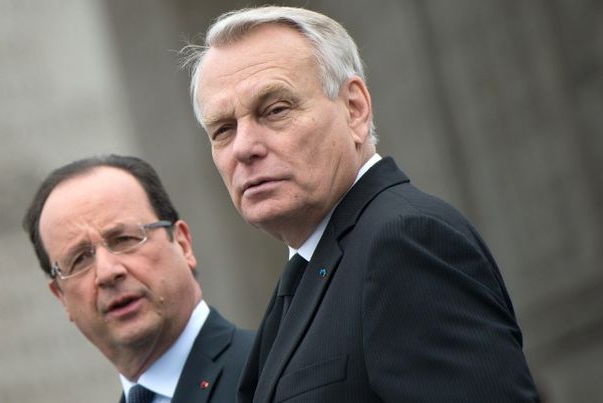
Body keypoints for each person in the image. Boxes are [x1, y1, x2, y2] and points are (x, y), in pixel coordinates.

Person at [183, 6, 540, 402]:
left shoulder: (406, 242)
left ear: (354, 108)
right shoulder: (309, 270)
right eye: (223, 129)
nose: (244, 147)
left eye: (275, 110)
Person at [22, 155, 254, 403]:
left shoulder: (270, 372)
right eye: (80, 259)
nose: (107, 272)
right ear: (61, 297)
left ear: (183, 244)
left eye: (124, 239)